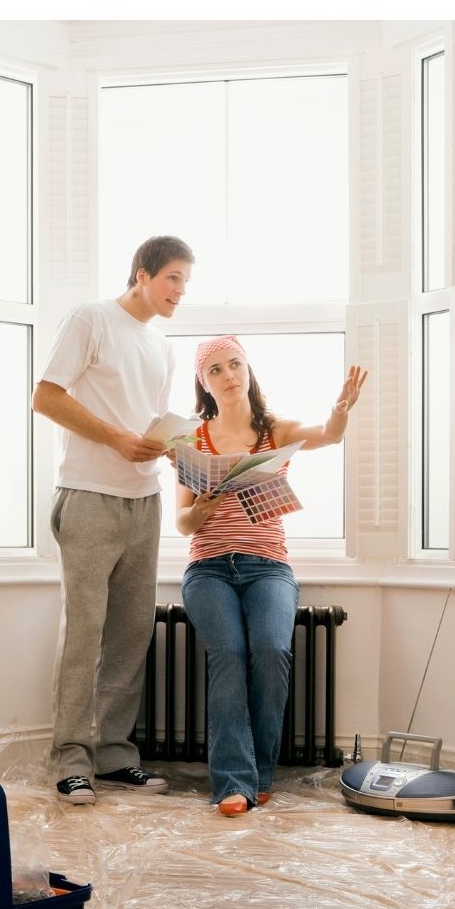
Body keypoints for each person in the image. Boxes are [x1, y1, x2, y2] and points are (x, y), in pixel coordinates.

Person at [32, 235, 195, 805]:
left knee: (131, 633)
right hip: (89, 497)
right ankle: (69, 759)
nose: (180, 291)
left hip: (143, 500)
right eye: (173, 277)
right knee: (84, 633)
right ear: (142, 274)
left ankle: (114, 755)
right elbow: (46, 397)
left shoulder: (162, 346)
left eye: (186, 282)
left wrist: (170, 446)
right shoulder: (91, 319)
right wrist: (117, 439)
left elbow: (145, 421)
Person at [176, 335, 367, 817]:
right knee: (229, 655)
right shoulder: (191, 442)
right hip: (208, 569)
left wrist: (341, 410)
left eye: (234, 364)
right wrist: (202, 508)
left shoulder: (273, 431)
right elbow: (182, 524)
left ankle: (259, 774)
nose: (228, 376)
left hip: (269, 569)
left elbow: (328, 433)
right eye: (215, 369)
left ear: (248, 369)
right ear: (203, 382)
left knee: (270, 651)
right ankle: (233, 784)